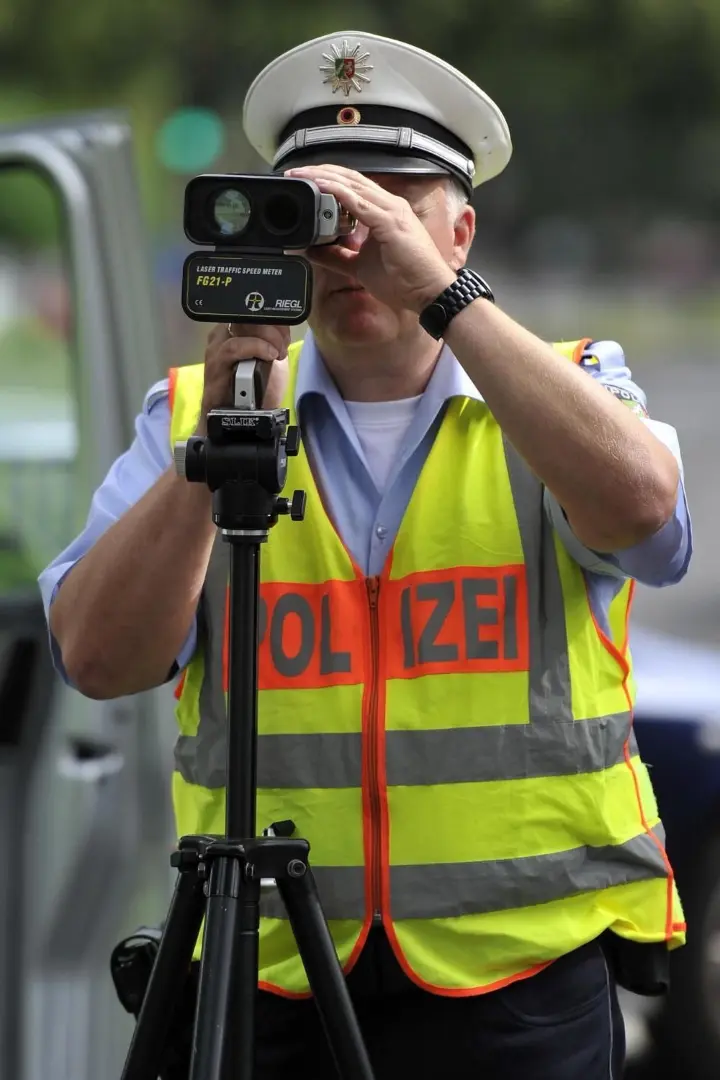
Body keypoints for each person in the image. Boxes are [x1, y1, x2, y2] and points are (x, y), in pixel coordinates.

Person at [39, 29, 692, 1080]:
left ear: (460, 231)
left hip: (517, 976)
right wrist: (220, 447)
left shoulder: (567, 388)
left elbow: (648, 521)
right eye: (322, 210)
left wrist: (446, 299)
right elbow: (98, 659)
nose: (354, 242)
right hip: (269, 970)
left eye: (392, 205)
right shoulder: (193, 415)